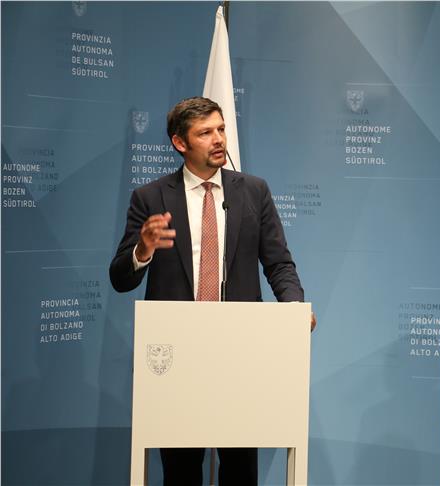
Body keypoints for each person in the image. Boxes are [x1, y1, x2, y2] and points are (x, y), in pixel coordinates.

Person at [110, 96, 315, 485]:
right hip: (177, 355)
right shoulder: (150, 198)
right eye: (205, 133)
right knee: (182, 471)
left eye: (221, 129)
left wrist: (294, 309)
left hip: (240, 350)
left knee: (240, 469)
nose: (219, 139)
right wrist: (143, 249)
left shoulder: (253, 191)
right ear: (180, 143)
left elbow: (279, 264)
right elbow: (121, 278)